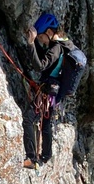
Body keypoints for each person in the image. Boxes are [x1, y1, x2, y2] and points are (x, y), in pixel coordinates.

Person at [22, 12, 85, 169]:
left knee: (29, 119)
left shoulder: (56, 48)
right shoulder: (64, 45)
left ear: (49, 32)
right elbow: (47, 59)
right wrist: (34, 41)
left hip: (47, 92)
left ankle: (31, 158)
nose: (41, 40)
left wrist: (30, 44)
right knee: (46, 124)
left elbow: (41, 65)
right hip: (55, 94)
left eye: (42, 37)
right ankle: (45, 156)